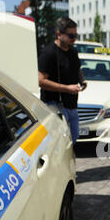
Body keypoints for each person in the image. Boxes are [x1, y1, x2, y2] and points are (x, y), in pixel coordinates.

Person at [38, 17, 87, 148]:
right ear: (59, 34)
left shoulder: (73, 51)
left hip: (72, 105)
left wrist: (82, 80)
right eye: (71, 35)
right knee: (58, 146)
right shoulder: (48, 53)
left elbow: (77, 69)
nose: (74, 38)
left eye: (76, 35)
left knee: (74, 138)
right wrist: (67, 88)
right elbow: (41, 81)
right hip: (53, 105)